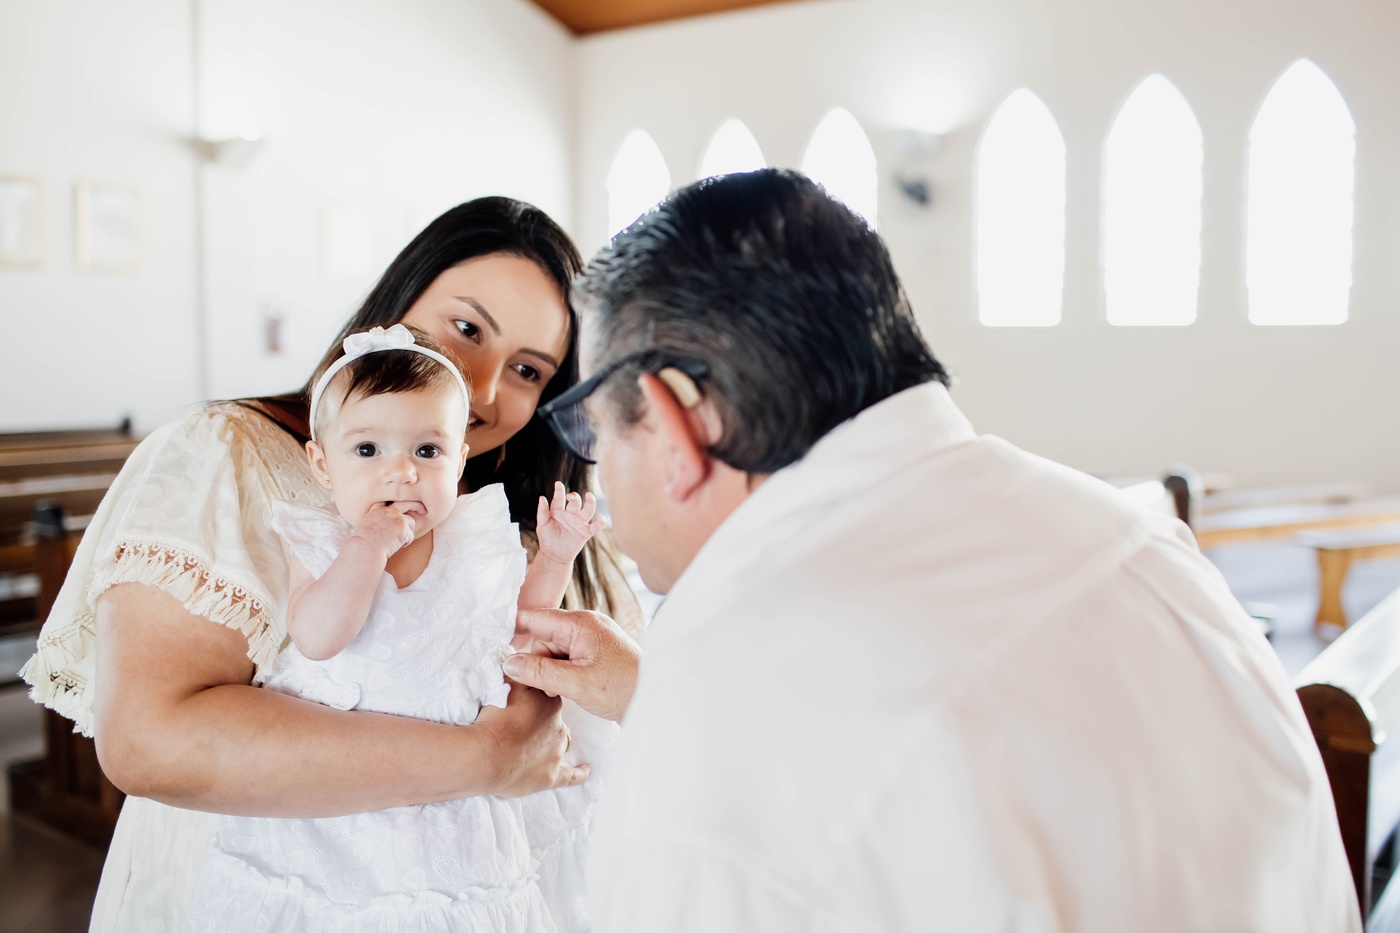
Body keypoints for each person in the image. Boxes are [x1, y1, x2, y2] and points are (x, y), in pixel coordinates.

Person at [504, 169, 1361, 932]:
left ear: (678, 422)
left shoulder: (719, 718)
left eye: (597, 428)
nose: (601, 473)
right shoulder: (1141, 545)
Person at [21, 197, 641, 933]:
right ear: (397, 300)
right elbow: (150, 741)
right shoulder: (231, 453)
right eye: (468, 329)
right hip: (278, 889)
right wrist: (487, 757)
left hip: (485, 887)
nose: (481, 388)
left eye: (528, 370)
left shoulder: (506, 512)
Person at [183, 323, 612, 932]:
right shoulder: (323, 539)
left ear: (459, 461)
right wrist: (368, 546)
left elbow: (518, 631)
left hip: (451, 810)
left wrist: (555, 558)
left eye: (427, 451)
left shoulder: (470, 540)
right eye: (368, 451)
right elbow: (317, 637)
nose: (401, 472)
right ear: (322, 464)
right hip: (338, 805)